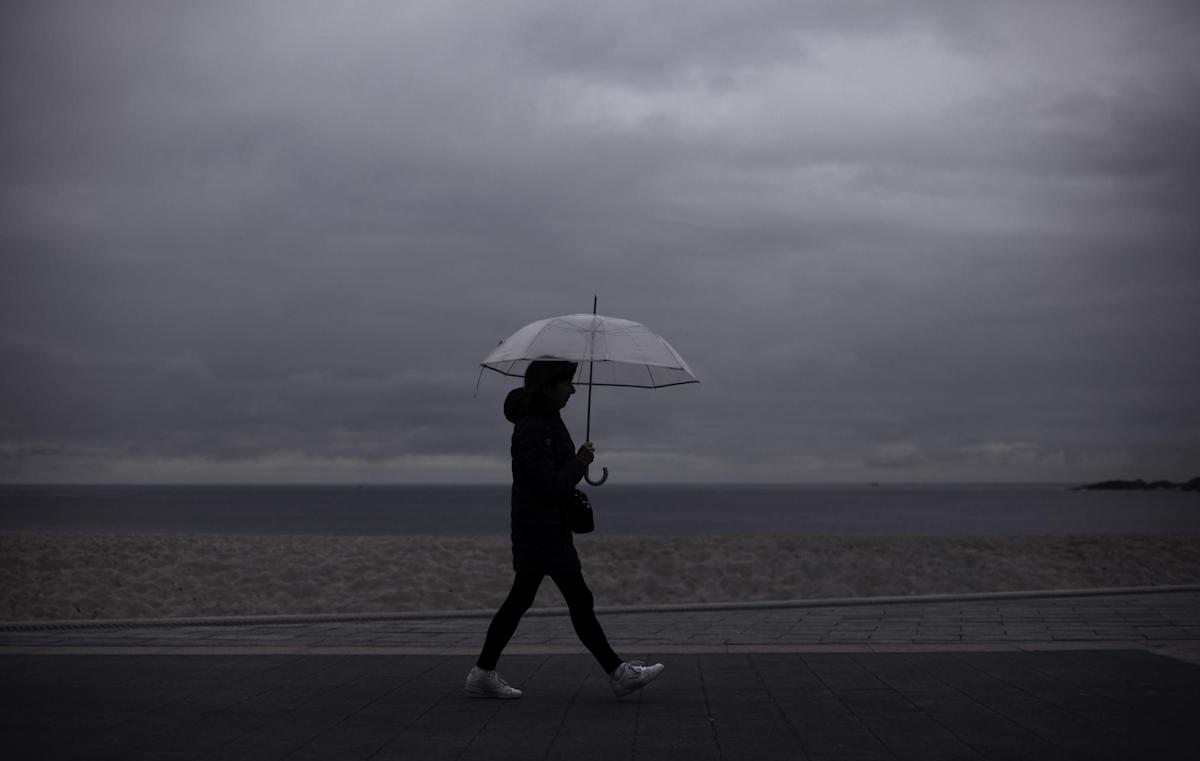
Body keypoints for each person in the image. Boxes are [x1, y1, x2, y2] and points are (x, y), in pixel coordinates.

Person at [465, 359, 664, 699]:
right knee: (574, 600)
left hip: (546, 528)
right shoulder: (532, 427)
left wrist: (576, 460)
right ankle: (618, 674)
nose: (573, 390)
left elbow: (554, 474)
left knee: (526, 599)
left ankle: (482, 672)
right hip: (540, 531)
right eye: (567, 383)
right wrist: (579, 463)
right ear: (547, 386)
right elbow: (548, 487)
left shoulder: (548, 421)